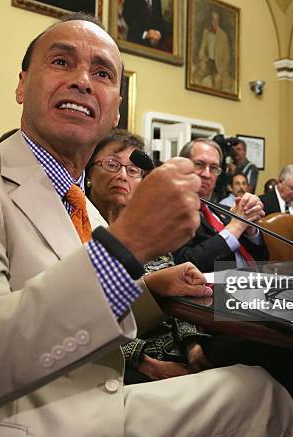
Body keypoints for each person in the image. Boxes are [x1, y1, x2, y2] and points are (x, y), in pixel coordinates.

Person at [0, 14, 293, 437]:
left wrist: (152, 289)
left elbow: (70, 304)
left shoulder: (82, 205)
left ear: (114, 109)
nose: (82, 81)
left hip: (91, 399)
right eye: (61, 62)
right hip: (4, 420)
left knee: (263, 389)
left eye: (102, 73)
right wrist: (128, 244)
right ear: (22, 84)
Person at [85, 129, 213, 383]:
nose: (122, 175)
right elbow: (81, 321)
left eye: (133, 170)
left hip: (178, 351)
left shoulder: (151, 231)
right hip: (119, 368)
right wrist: (147, 364)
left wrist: (194, 349)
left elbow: (179, 301)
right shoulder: (78, 229)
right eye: (112, 164)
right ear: (88, 174)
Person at [174, 138, 267, 272]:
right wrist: (237, 226)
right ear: (182, 167)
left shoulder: (223, 210)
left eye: (213, 168)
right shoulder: (170, 212)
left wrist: (249, 230)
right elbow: (184, 264)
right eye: (199, 164)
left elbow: (264, 259)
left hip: (255, 284)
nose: (207, 174)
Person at [194, 10, 231, 92]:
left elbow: (227, 58)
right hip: (208, 62)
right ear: (210, 20)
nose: (215, 22)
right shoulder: (206, 32)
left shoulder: (223, 36)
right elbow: (202, 49)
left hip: (218, 65)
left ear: (219, 20)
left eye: (217, 19)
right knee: (197, 75)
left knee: (217, 81)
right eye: (213, 19)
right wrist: (202, 60)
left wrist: (220, 72)